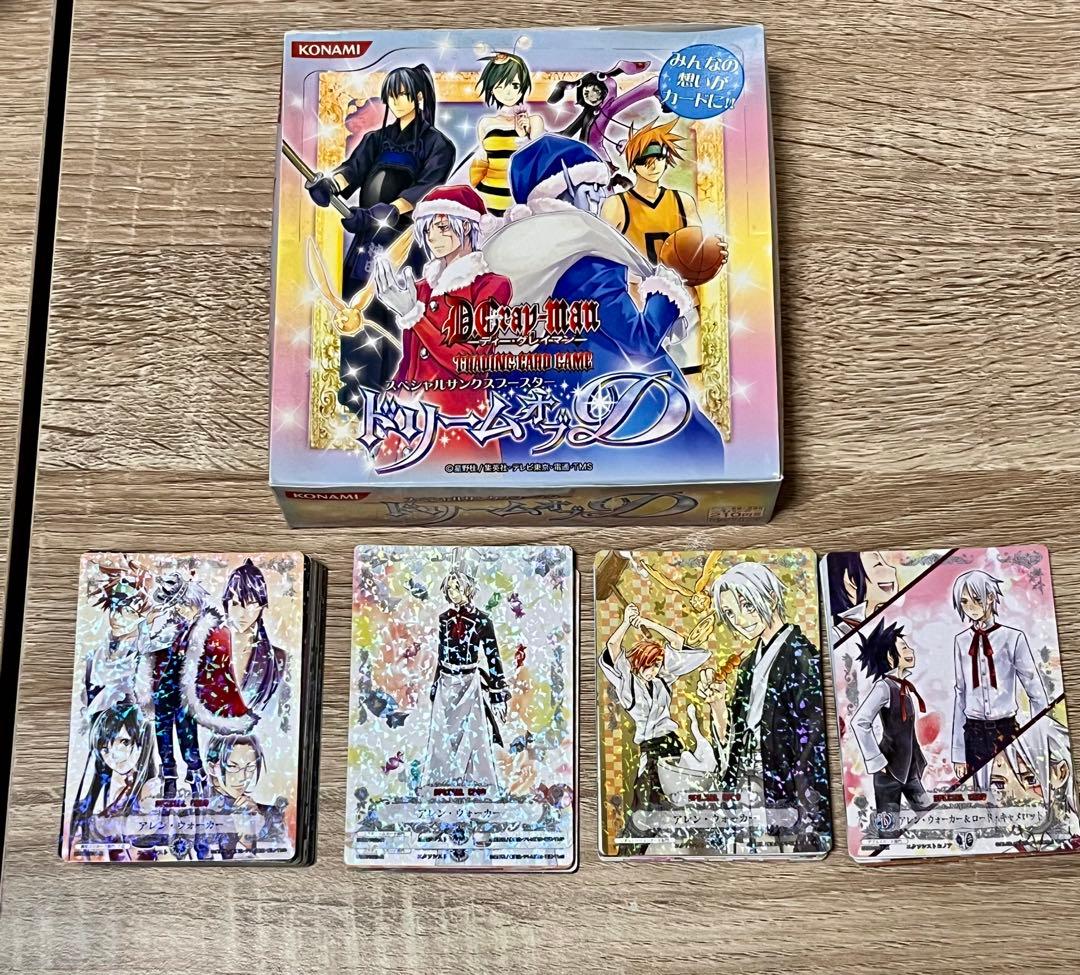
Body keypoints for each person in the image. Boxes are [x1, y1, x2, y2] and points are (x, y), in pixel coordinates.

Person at [483, 134, 726, 469]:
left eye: (603, 185)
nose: (602, 195)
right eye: (590, 185)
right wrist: (667, 290)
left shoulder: (509, 248)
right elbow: (639, 339)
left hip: (529, 403)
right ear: (559, 189)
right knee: (690, 448)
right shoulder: (584, 250)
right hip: (598, 397)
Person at [304, 64, 456, 396]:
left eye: (403, 94)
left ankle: (398, 390)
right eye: (392, 95)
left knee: (396, 314)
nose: (397, 102)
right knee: (353, 306)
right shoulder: (377, 139)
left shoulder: (438, 144)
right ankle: (353, 388)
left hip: (407, 242)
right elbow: (352, 170)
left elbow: (427, 187)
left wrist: (392, 209)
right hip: (366, 240)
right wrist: (330, 184)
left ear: (418, 97)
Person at [371, 184, 511, 464]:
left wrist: (414, 314)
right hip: (408, 422)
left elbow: (470, 364)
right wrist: (388, 405)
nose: (433, 237)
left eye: (443, 227)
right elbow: (410, 361)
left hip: (459, 420)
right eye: (427, 230)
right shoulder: (421, 288)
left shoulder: (492, 286)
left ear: (467, 226)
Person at [696, 562, 830, 851]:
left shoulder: (803, 659)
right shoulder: (748, 665)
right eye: (731, 613)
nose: (741, 620)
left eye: (747, 605)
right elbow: (736, 737)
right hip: (748, 782)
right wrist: (718, 705)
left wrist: (808, 816)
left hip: (784, 788)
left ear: (770, 597)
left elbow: (812, 746)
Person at [598, 602, 710, 815]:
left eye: (656, 665)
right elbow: (613, 645)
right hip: (650, 747)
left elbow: (677, 642)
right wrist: (626, 622)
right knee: (647, 797)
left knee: (677, 796)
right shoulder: (628, 684)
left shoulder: (661, 681)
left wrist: (647, 622)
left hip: (672, 743)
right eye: (648, 665)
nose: (653, 670)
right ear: (638, 663)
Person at [950, 570, 1048, 790]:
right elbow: (960, 694)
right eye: (964, 602)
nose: (970, 607)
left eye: (976, 599)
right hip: (973, 732)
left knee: (1013, 788)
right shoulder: (961, 641)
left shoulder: (1013, 638)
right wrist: (958, 752)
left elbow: (1035, 690)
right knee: (982, 793)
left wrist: (1039, 739)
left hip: (1006, 728)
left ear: (991, 598)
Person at [423, 567, 510, 790]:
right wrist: (435, 683)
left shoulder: (482, 621)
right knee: (442, 735)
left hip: (470, 683)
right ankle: (439, 783)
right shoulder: (444, 619)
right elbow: (441, 654)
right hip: (445, 682)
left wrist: (498, 695)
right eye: (450, 588)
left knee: (473, 733)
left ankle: (477, 783)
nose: (453, 592)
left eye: (458, 587)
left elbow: (492, 656)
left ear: (468, 588)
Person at [183, 559, 286, 736]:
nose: (242, 613)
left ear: (262, 606)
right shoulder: (205, 648)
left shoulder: (278, 658)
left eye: (251, 604)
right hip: (208, 737)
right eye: (236, 603)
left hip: (257, 740)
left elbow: (280, 717)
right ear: (226, 603)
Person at [850, 620, 933, 834]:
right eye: (904, 648)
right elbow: (859, 722)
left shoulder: (903, 687)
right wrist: (877, 761)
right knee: (888, 831)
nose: (910, 651)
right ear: (889, 656)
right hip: (889, 772)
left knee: (930, 816)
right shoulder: (883, 687)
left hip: (910, 771)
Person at [602, 120, 718, 265]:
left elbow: (698, 249)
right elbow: (601, 255)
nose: (653, 166)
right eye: (644, 160)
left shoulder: (682, 201)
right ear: (633, 163)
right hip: (634, 279)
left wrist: (713, 253)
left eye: (659, 158)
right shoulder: (616, 205)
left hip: (677, 279)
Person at [142, 572, 211, 799]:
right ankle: (169, 780)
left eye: (184, 605)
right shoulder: (173, 628)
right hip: (165, 691)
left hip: (185, 694)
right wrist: (148, 623)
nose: (180, 609)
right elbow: (145, 646)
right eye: (178, 605)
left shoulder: (205, 630)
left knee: (187, 738)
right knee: (163, 737)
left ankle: (197, 779)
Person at [70, 701, 161, 854]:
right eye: (105, 749)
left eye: (124, 742)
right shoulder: (120, 787)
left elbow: (145, 832)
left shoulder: (152, 787)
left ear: (143, 738)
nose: (113, 755)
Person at [470, 52, 544, 215]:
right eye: (500, 86)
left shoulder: (534, 121)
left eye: (515, 85)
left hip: (519, 204)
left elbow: (539, 163)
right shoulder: (486, 123)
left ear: (523, 86)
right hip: (486, 201)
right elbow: (480, 165)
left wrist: (525, 137)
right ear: (492, 89)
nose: (508, 92)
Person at [205, 733, 287, 859]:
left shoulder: (272, 815)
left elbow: (280, 862)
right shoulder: (194, 813)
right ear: (211, 768)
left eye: (250, 767)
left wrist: (251, 835)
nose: (242, 778)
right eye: (232, 766)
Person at [826, 551, 899, 643]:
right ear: (850, 580)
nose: (892, 569)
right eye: (878, 564)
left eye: (886, 564)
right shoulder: (837, 636)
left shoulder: (890, 625)